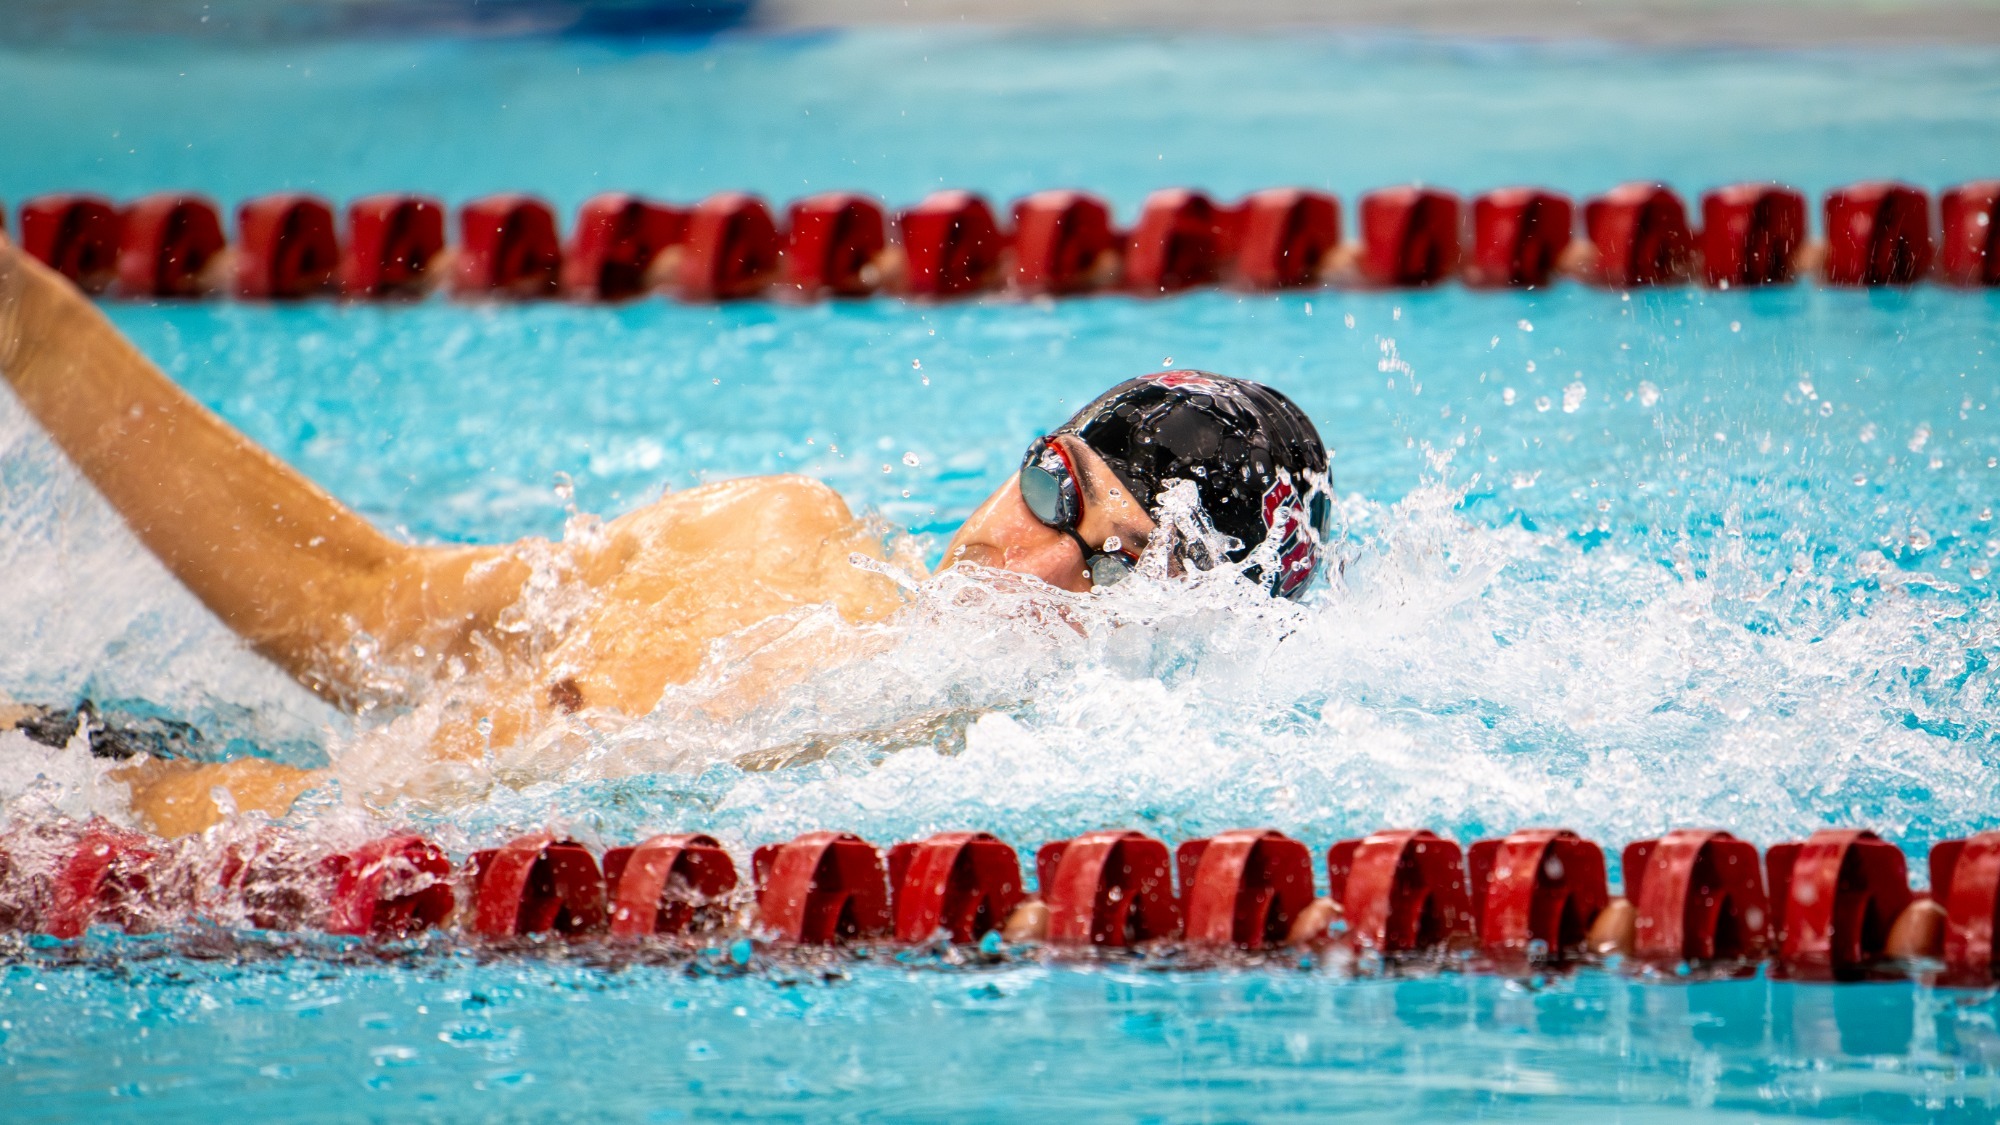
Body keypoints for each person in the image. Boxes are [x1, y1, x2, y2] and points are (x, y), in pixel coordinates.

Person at [0, 241, 1333, 835]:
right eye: (1054, 489)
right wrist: (37, 323)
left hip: (153, 838)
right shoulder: (765, 525)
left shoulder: (991, 782)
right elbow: (371, 610)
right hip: (129, 802)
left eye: (1109, 563)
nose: (1029, 556)